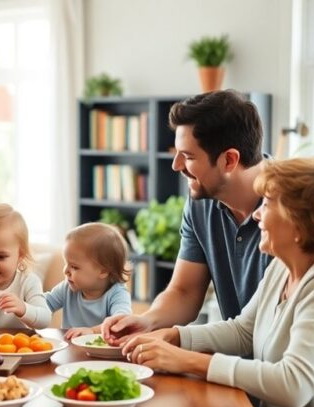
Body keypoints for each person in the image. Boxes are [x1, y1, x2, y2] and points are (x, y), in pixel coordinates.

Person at [123, 157, 314, 407]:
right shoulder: (285, 266)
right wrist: (176, 337)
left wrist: (188, 361)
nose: (257, 214)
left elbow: (294, 384)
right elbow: (244, 330)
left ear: (300, 222)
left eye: (268, 204)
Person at [102, 89, 273, 345]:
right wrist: (147, 321)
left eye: (188, 156)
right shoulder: (200, 203)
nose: (176, 165)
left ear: (229, 160)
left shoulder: (292, 208)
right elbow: (184, 292)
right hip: (238, 360)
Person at [44, 223, 131, 340]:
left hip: (100, 349)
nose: (65, 271)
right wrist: (25, 305)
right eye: (66, 264)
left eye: (74, 267)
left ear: (103, 271)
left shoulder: (117, 294)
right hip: (70, 347)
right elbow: (43, 305)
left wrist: (92, 331)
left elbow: (121, 322)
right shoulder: (67, 288)